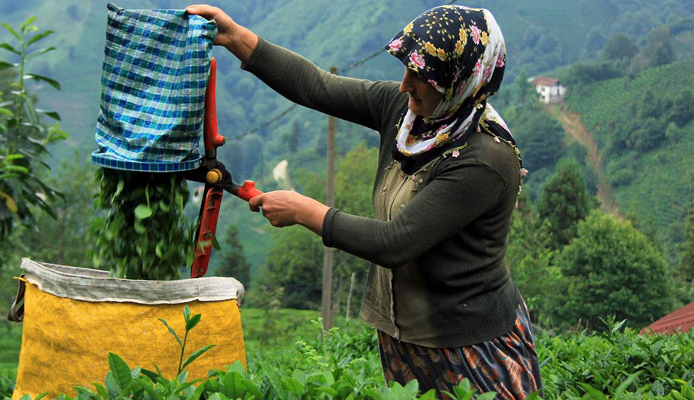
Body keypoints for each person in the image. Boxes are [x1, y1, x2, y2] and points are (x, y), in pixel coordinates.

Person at [187, 3, 542, 398]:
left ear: (459, 81)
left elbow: (396, 242)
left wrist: (305, 211)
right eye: (406, 68)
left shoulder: (485, 159)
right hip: (402, 333)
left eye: (422, 76)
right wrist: (237, 37)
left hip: (470, 345)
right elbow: (316, 86)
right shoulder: (408, 114)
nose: (406, 84)